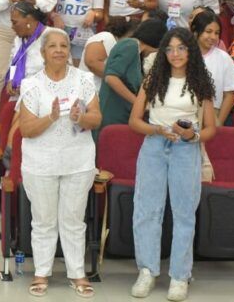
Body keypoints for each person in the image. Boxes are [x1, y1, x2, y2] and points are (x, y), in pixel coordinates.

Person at [128, 28, 216, 302]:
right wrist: (156, 130)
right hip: (154, 146)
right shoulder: (152, 80)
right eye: (170, 49)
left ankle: (179, 275)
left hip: (186, 149)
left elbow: (212, 128)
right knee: (147, 210)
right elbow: (134, 121)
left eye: (181, 48)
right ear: (163, 53)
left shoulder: (200, 83)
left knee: (184, 213)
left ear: (190, 51)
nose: (175, 54)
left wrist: (194, 135)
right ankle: (147, 270)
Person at [19, 27, 101, 298]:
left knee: (73, 220)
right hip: (40, 162)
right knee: (43, 220)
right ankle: (41, 271)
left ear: (69, 51)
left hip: (78, 160)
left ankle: (77, 272)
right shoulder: (31, 84)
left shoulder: (84, 80)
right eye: (52, 46)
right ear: (43, 53)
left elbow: (97, 119)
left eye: (63, 46)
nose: (58, 50)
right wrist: (51, 118)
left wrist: (79, 117)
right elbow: (26, 129)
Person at [95, 18, 167, 142]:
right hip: (112, 114)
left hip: (122, 114)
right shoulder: (130, 45)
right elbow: (111, 77)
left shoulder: (137, 54)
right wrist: (137, 103)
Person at [191, 11, 234, 126]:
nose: (213, 37)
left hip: (212, 113)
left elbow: (229, 95)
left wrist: (219, 123)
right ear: (195, 31)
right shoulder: (184, 54)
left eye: (217, 33)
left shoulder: (224, 58)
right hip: (184, 110)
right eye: (208, 32)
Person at [79, 17, 133, 91]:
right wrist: (123, 81)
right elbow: (92, 62)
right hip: (92, 91)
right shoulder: (106, 37)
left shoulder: (114, 41)